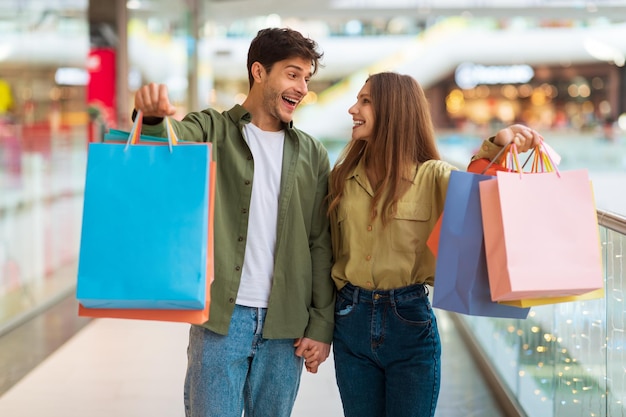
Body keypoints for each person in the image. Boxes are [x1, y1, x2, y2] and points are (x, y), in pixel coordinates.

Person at [132, 27, 335, 417]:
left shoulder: (312, 153)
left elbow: (320, 243)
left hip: (286, 325)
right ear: (259, 72)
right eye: (293, 74)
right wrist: (154, 119)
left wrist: (320, 325)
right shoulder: (213, 128)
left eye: (307, 78)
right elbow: (168, 139)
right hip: (222, 322)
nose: (303, 87)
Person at [326, 71, 542, 417]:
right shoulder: (342, 177)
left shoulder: (434, 176)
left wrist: (498, 144)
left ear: (393, 110)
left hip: (409, 322)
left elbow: (476, 197)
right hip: (350, 318)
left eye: (365, 101)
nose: (353, 108)